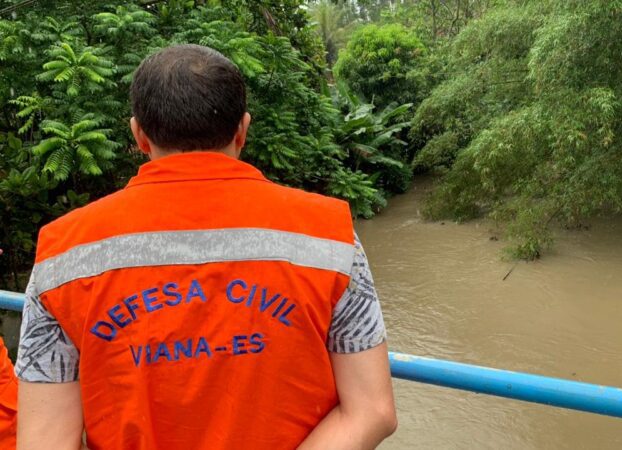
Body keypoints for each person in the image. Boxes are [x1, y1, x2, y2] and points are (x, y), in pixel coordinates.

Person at [15, 44, 396, 450]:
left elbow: (44, 440)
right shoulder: (329, 236)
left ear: (139, 136)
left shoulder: (62, 254)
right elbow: (372, 410)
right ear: (242, 130)